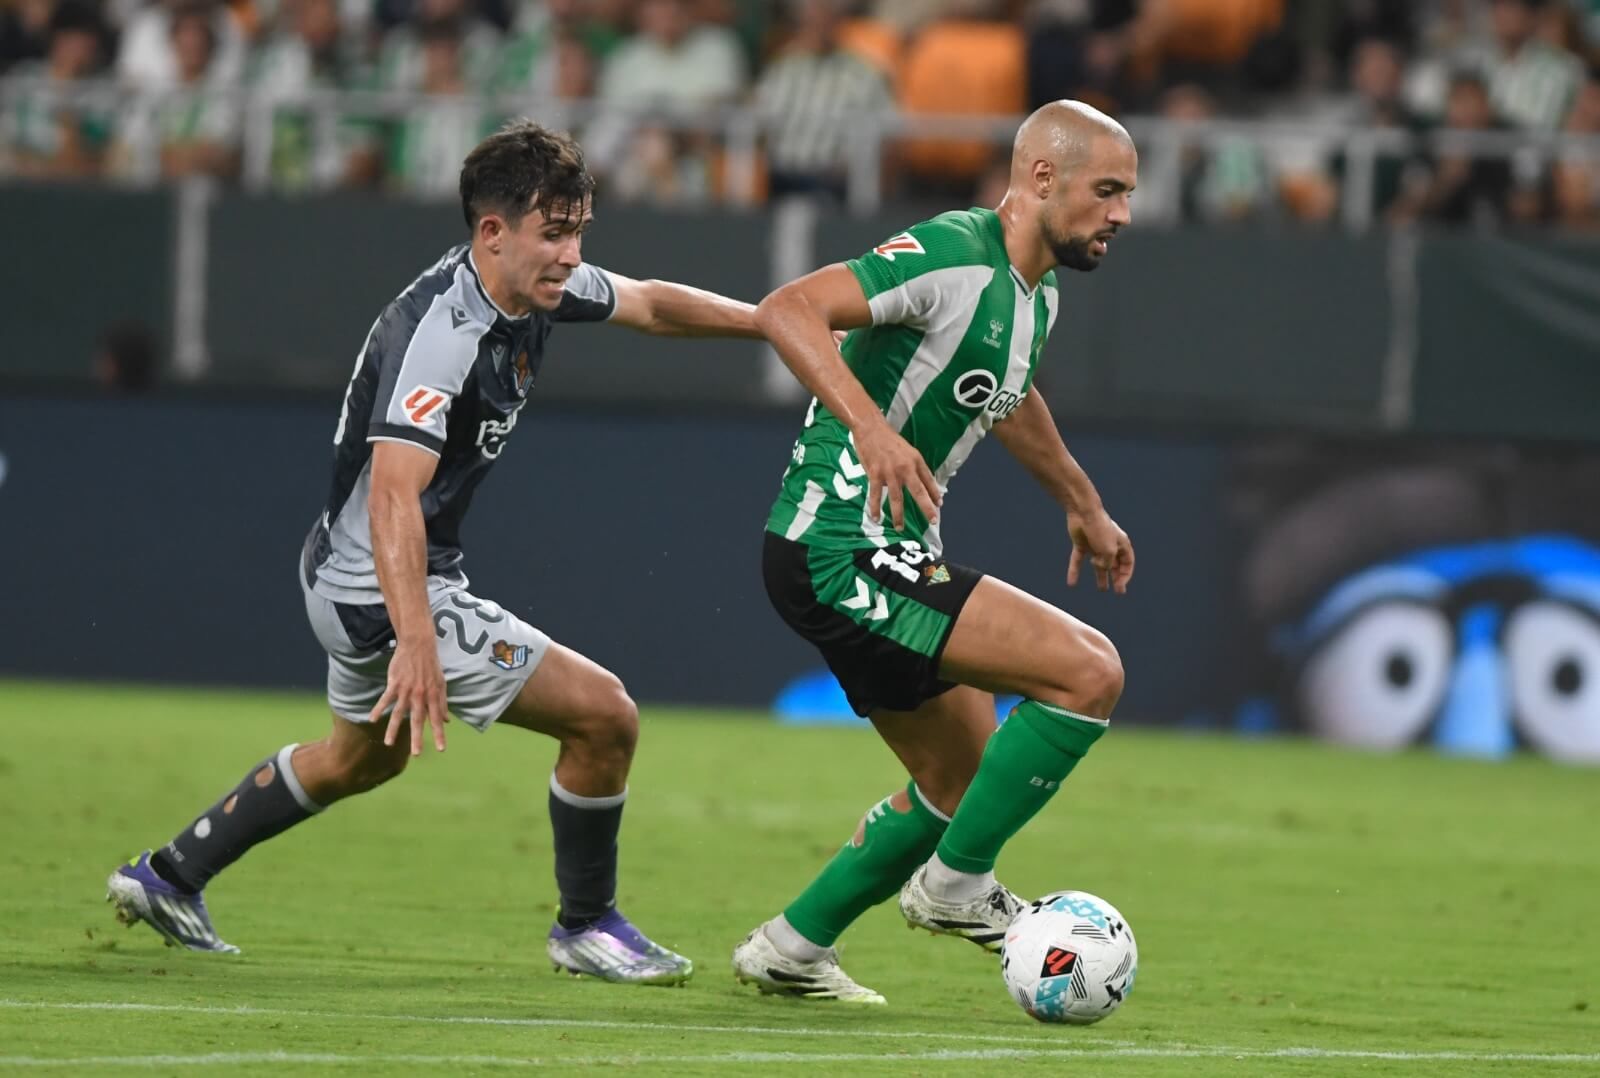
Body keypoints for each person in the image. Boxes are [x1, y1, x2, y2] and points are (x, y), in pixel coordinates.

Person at [106, 120, 765, 985]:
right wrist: (414, 635)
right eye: (555, 233)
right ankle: (586, 924)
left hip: (354, 574)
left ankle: (167, 875)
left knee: (358, 758)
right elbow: (391, 494)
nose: (572, 253)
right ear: (493, 233)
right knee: (605, 715)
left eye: (578, 232)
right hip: (380, 582)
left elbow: (648, 304)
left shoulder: (536, 285)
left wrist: (769, 325)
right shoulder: (444, 333)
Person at [733, 100, 1137, 1004]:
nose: (1122, 214)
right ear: (1041, 178)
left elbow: (1010, 394)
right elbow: (788, 309)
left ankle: (791, 948)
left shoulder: (1040, 295)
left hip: (865, 550)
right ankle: (956, 887)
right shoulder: (956, 251)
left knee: (959, 772)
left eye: (1126, 195)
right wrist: (870, 431)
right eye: (1107, 191)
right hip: (838, 543)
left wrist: (1081, 501)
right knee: (1088, 673)